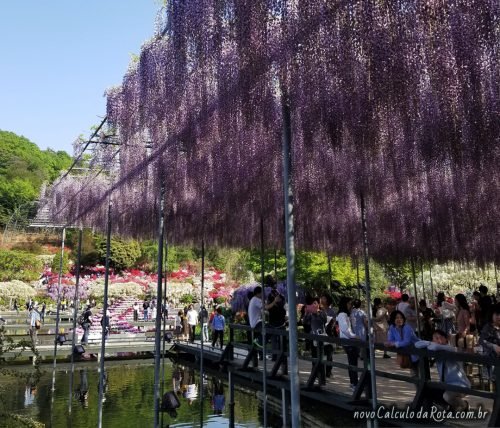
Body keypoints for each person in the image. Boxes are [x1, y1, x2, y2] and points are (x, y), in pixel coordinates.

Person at [415, 330, 470, 411]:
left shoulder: (450, 348)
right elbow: (417, 344)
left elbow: (436, 347)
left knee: (447, 397)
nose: (439, 341)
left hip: (460, 384)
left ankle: (464, 405)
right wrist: (430, 343)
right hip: (446, 384)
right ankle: (448, 406)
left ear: (446, 339)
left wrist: (432, 344)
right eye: (436, 338)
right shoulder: (436, 349)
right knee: (426, 389)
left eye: (441, 338)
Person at [385, 310, 419, 376]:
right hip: (408, 355)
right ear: (393, 319)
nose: (399, 319)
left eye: (401, 318)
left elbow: (407, 342)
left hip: (417, 354)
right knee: (414, 376)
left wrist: (395, 344)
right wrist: (389, 343)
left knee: (420, 376)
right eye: (397, 318)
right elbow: (390, 340)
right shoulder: (392, 327)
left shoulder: (407, 327)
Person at [337, 296, 359, 390]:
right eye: (349, 303)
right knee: (352, 362)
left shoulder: (346, 314)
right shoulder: (342, 315)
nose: (351, 306)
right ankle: (354, 383)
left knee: (353, 361)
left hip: (350, 339)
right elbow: (345, 329)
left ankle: (354, 382)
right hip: (348, 340)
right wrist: (353, 336)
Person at [267, 282, 287, 361]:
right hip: (275, 320)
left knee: (276, 340)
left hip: (278, 320)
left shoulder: (280, 296)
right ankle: (278, 356)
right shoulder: (273, 295)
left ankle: (278, 356)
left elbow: (283, 306)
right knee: (276, 340)